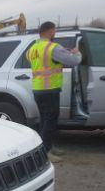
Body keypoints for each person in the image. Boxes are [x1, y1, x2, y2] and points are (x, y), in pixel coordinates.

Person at [27, 21, 82, 161]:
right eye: (54, 31)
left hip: (38, 89)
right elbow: (73, 61)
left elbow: (42, 63)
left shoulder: (33, 48)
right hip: (49, 89)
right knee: (50, 121)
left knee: (45, 121)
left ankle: (48, 147)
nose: (55, 33)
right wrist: (77, 53)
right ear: (50, 31)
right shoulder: (52, 47)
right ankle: (45, 152)